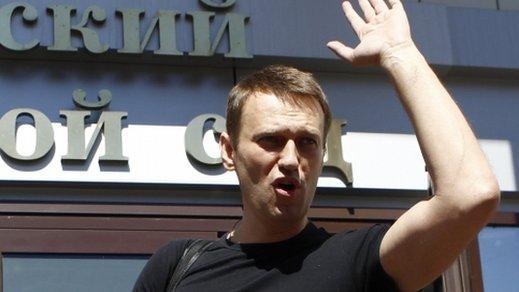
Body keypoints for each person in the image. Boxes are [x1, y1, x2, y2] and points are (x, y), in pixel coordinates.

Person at [133, 0, 500, 291]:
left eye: (307, 142)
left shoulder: (358, 263)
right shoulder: (178, 266)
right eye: (271, 140)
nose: (291, 159)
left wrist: (400, 54)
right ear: (229, 151)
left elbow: (470, 194)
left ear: (323, 154)